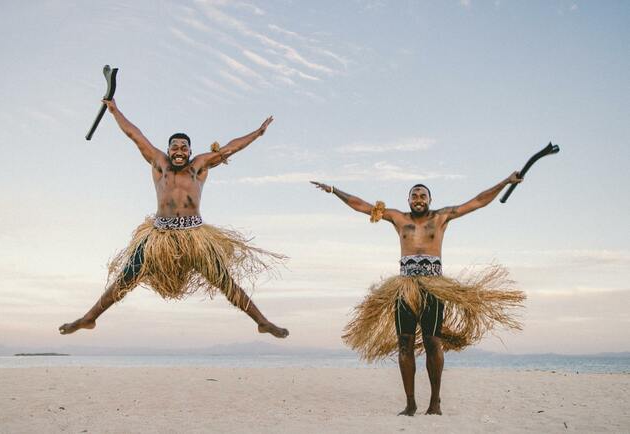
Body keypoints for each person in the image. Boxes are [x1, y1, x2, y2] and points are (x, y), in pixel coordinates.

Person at [59, 99, 288, 339]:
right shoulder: (160, 163)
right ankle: (89, 318)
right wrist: (115, 111)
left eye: (184, 147)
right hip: (160, 235)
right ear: (168, 151)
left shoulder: (199, 165)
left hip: (194, 236)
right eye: (175, 147)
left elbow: (232, 147)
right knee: (127, 277)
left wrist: (258, 133)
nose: (179, 151)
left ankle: (262, 322)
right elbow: (134, 134)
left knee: (225, 282)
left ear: (190, 151)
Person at [311, 174, 525, 415]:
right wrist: (334, 190)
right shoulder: (398, 218)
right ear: (409, 200)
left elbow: (477, 201)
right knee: (405, 344)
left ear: (430, 199)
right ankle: (410, 403)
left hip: (434, 287)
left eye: (423, 195)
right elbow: (363, 206)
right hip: (404, 288)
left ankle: (435, 402)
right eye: (414, 195)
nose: (418, 199)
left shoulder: (442, 216)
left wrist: (505, 182)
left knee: (433, 343)